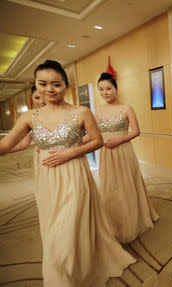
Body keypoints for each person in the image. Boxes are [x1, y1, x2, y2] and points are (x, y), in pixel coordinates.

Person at [0, 60, 135, 286]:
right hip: (46, 180)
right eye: (43, 84)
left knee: (69, 226)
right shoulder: (28, 118)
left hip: (75, 174)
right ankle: (68, 273)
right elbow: (5, 146)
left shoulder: (81, 112)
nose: (49, 89)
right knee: (53, 228)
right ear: (36, 85)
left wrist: (70, 152)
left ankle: (64, 277)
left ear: (65, 85)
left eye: (56, 84)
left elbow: (97, 141)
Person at [94, 72, 159, 243]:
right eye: (101, 89)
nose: (105, 92)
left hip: (123, 151)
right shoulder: (97, 111)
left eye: (108, 88)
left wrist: (118, 140)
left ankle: (133, 222)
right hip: (106, 153)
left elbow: (136, 131)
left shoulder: (126, 108)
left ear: (116, 88)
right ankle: (114, 223)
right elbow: (94, 134)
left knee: (126, 185)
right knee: (109, 187)